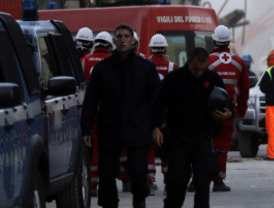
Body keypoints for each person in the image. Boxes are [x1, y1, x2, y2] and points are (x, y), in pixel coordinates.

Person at [81, 24, 161, 208]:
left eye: (127, 36)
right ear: (114, 41)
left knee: (139, 171)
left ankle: (139, 200)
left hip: (138, 128)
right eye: (120, 36)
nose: (123, 39)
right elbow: (91, 100)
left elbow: (157, 100)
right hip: (111, 128)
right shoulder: (103, 69)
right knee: (107, 174)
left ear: (133, 41)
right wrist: (86, 127)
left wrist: (157, 126)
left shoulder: (146, 68)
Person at [152, 47, 233, 208]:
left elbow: (227, 104)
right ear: (188, 62)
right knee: (177, 182)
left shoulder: (213, 78)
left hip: (203, 138)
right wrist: (155, 128)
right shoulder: (174, 79)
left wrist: (227, 114)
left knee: (203, 182)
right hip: (178, 138)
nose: (199, 73)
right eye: (196, 69)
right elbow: (157, 104)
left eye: (203, 69)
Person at [207, 25, 250, 191]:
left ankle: (196, 179)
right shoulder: (239, 62)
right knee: (222, 146)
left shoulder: (207, 60)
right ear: (229, 41)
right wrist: (241, 111)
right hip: (227, 111)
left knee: (202, 144)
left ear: (214, 40)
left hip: (206, 111)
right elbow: (244, 90)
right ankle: (218, 181)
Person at [80, 31, 114, 196]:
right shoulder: (115, 62)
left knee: (92, 150)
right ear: (109, 45)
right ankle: (109, 184)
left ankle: (92, 185)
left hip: (91, 112)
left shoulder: (84, 61)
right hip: (111, 115)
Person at [146, 34, 179, 190]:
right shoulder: (173, 67)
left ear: (151, 48)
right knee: (168, 148)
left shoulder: (143, 65)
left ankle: (149, 181)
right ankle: (169, 181)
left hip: (148, 113)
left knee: (148, 149)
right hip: (167, 114)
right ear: (165, 48)